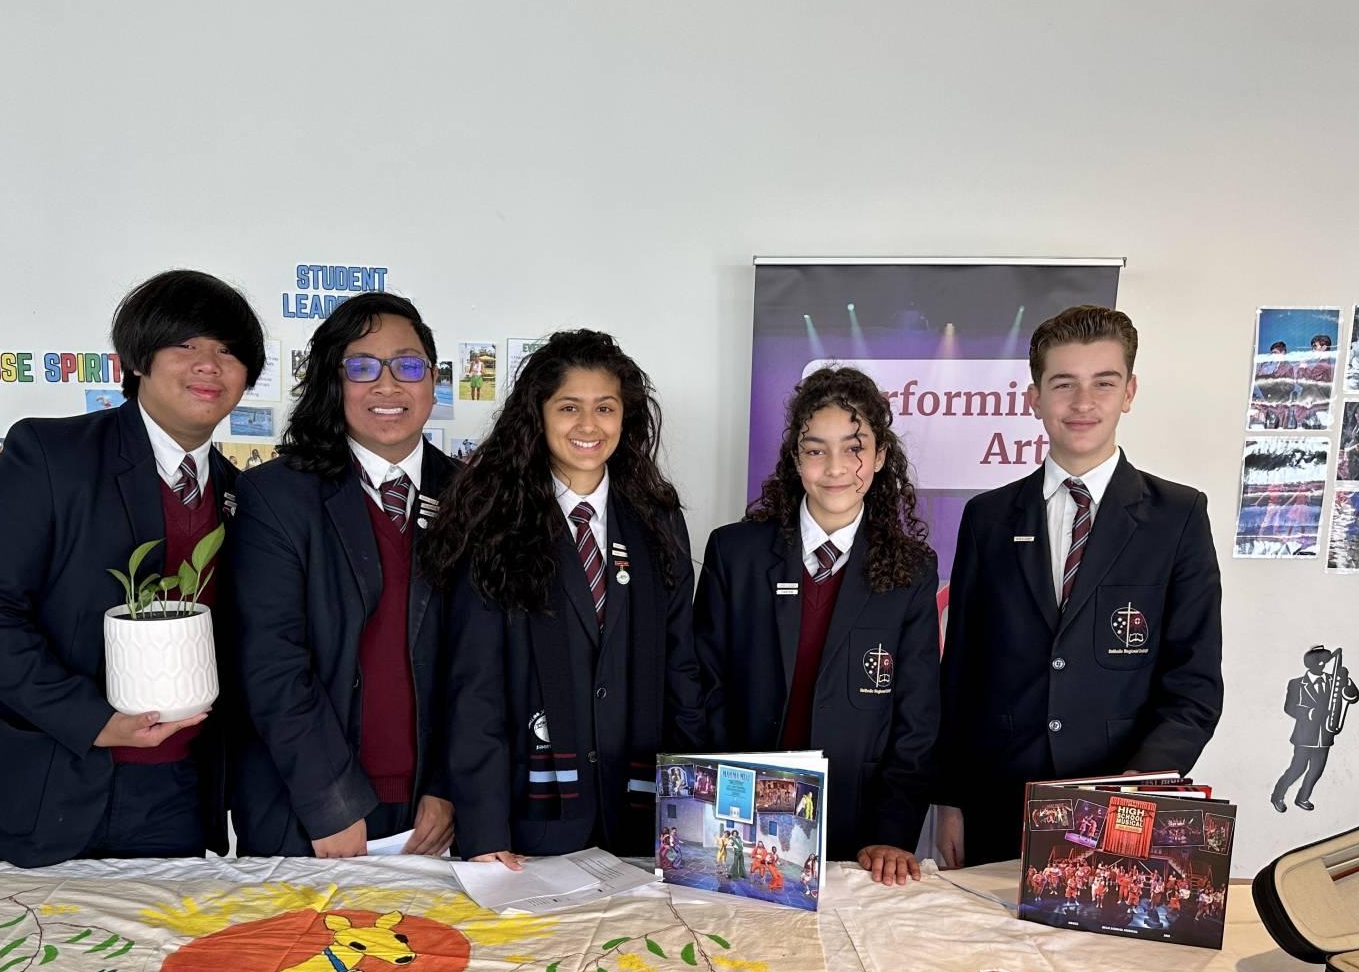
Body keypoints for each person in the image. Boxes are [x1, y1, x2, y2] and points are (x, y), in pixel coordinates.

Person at [0, 269, 264, 865]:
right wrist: (92, 720)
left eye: (228, 351)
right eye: (184, 344)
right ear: (137, 359)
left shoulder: (242, 494)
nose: (209, 365)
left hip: (176, 790)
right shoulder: (49, 457)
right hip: (39, 784)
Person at [934, 305, 1223, 868]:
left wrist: (1139, 787)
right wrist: (950, 798)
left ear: (1129, 392)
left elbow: (1194, 681)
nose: (1083, 403)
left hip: (1120, 808)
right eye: (1064, 384)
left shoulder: (1179, 516)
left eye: (1104, 383)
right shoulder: (987, 518)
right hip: (998, 805)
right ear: (1034, 397)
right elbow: (960, 673)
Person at [427, 329, 705, 865]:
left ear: (625, 416)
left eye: (605, 408)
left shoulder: (657, 519)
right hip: (529, 825)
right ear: (539, 414)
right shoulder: (492, 520)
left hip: (640, 820)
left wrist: (694, 814)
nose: (588, 425)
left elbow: (681, 671)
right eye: (569, 407)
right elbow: (475, 690)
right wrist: (485, 834)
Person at [226, 292, 459, 858]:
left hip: (437, 814)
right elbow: (272, 662)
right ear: (334, 381)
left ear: (433, 380)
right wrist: (329, 800)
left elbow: (486, 667)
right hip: (307, 811)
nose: (387, 386)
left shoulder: (473, 497)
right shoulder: (276, 496)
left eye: (408, 366)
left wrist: (453, 786)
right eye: (362, 367)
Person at [695, 367, 939, 887]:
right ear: (795, 459)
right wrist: (714, 802)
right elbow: (703, 689)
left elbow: (916, 719)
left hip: (859, 836)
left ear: (880, 456)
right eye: (815, 450)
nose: (835, 468)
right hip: (738, 821)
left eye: (854, 448)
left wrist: (891, 832)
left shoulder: (912, 571)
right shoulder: (735, 554)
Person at [1271, 646, 1359, 812]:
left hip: (1325, 736)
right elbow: (1289, 707)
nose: (1322, 664)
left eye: (1324, 661)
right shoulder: (1296, 683)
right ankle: (1278, 795)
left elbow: (1353, 697)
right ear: (1309, 663)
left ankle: (1302, 798)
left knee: (1316, 771)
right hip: (1304, 736)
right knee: (1298, 769)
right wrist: (1310, 713)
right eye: (1318, 661)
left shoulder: (1333, 680)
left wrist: (1346, 680)